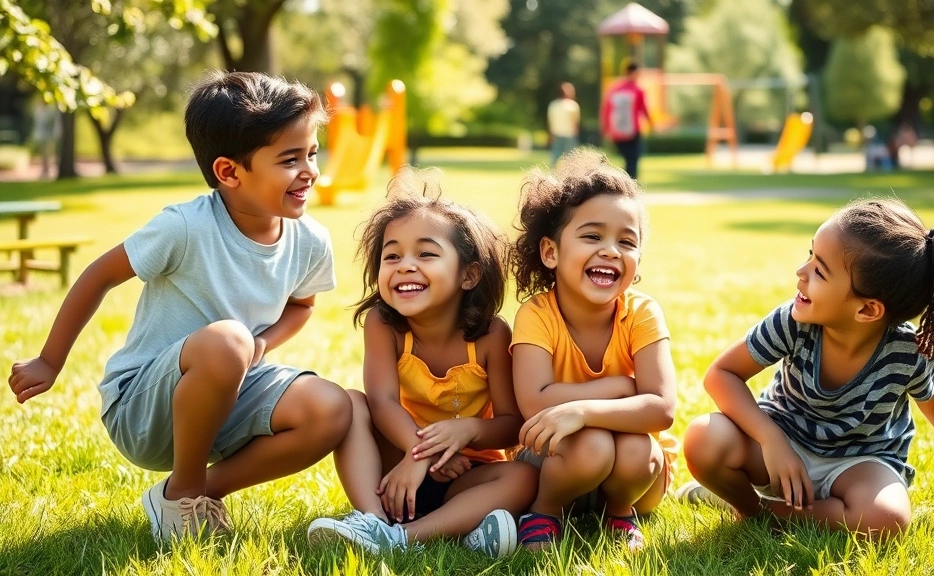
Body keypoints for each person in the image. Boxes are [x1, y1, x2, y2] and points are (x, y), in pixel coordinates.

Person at [8, 71, 359, 542]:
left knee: (333, 409)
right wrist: (50, 360)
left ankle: (185, 494)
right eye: (290, 159)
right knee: (227, 340)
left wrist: (261, 344)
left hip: (230, 390)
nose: (310, 171)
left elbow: (302, 305)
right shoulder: (185, 227)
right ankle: (186, 494)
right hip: (143, 410)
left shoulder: (310, 239)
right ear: (229, 172)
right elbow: (99, 276)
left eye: (312, 153)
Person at [680, 198, 934, 538]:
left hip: (860, 464)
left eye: (819, 270)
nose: (801, 273)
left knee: (887, 517)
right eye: (809, 254)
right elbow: (721, 375)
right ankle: (749, 509)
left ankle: (771, 513)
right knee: (704, 438)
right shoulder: (793, 321)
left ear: (867, 310)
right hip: (782, 441)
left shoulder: (909, 351)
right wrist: (771, 440)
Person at [306, 169, 537, 558]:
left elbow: (512, 427)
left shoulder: (491, 336)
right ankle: (374, 519)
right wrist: (422, 453)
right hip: (398, 464)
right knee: (352, 403)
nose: (405, 265)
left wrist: (464, 434)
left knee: (524, 477)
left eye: (426, 254)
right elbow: (381, 402)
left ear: (469, 275)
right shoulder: (384, 325)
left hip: (466, 472)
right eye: (391, 255)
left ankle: (404, 539)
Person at [507, 148, 677, 552]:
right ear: (551, 252)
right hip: (554, 461)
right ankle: (545, 512)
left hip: (635, 479)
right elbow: (535, 403)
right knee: (593, 444)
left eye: (627, 241)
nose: (611, 251)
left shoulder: (642, 313)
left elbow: (663, 409)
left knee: (637, 447)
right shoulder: (536, 315)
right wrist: (621, 386)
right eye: (592, 236)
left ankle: (619, 514)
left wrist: (582, 410)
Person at [601, 61, 650, 180]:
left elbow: (606, 110)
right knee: (632, 159)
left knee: (628, 159)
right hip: (632, 131)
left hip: (617, 131)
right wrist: (652, 124)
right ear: (632, 73)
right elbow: (644, 109)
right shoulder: (637, 90)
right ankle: (630, 184)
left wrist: (606, 128)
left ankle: (625, 181)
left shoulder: (614, 89)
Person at [547, 82, 580, 165]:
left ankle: (552, 175)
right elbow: (575, 123)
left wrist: (550, 136)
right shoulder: (573, 106)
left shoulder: (553, 105)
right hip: (569, 135)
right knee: (571, 159)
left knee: (555, 157)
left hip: (557, 134)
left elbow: (550, 122)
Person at [32, 100, 60, 180]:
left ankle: (50, 169)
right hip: (42, 135)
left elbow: (49, 122)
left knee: (50, 153)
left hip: (49, 135)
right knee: (44, 154)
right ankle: (45, 170)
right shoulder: (40, 110)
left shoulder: (50, 110)